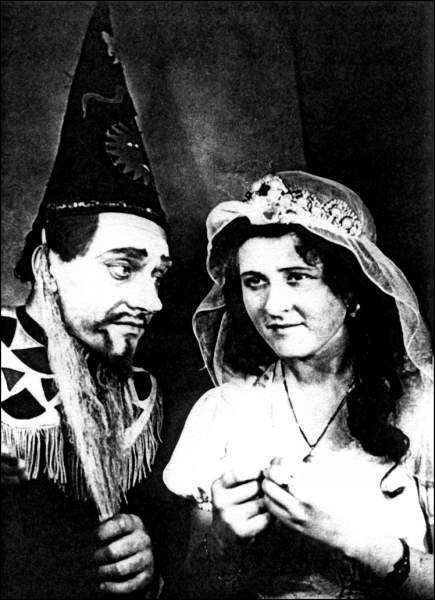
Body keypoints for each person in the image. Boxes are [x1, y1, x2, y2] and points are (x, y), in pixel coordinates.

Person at [163, 170, 434, 598]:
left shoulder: (421, 407)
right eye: (255, 282)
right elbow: (191, 589)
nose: (273, 305)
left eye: (296, 277)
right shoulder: (223, 410)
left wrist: (353, 538)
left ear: (350, 292)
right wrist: (222, 538)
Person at [1, 3, 172, 598]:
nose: (152, 301)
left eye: (158, 276)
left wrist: (148, 569)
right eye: (123, 268)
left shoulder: (147, 393)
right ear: (49, 264)